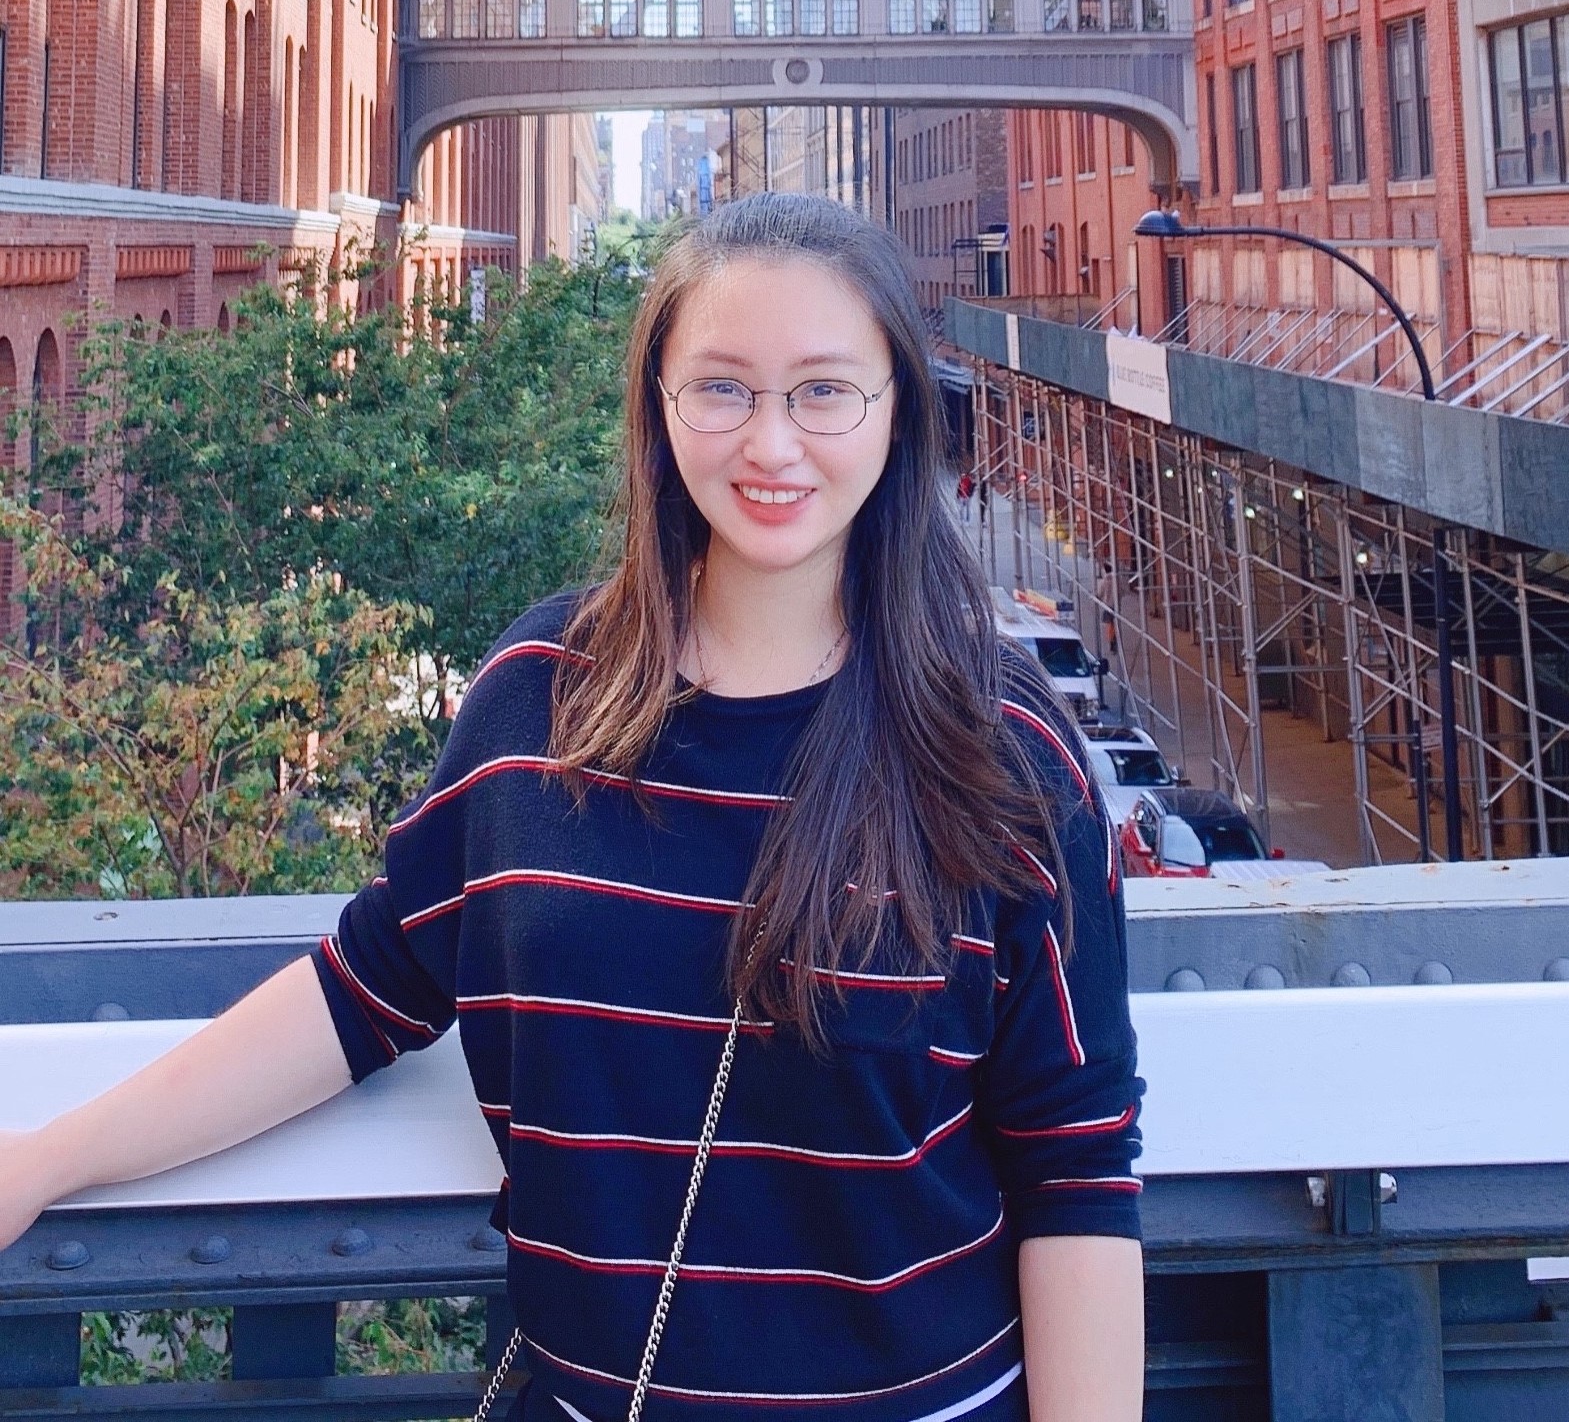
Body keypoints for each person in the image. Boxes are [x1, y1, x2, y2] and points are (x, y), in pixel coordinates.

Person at [0, 196, 1144, 1422]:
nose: (772, 443)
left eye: (824, 390)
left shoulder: (1000, 748)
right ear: (659, 404)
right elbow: (362, 988)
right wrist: (43, 1160)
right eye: (722, 388)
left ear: (897, 410)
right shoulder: (541, 700)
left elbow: (1074, 1164)